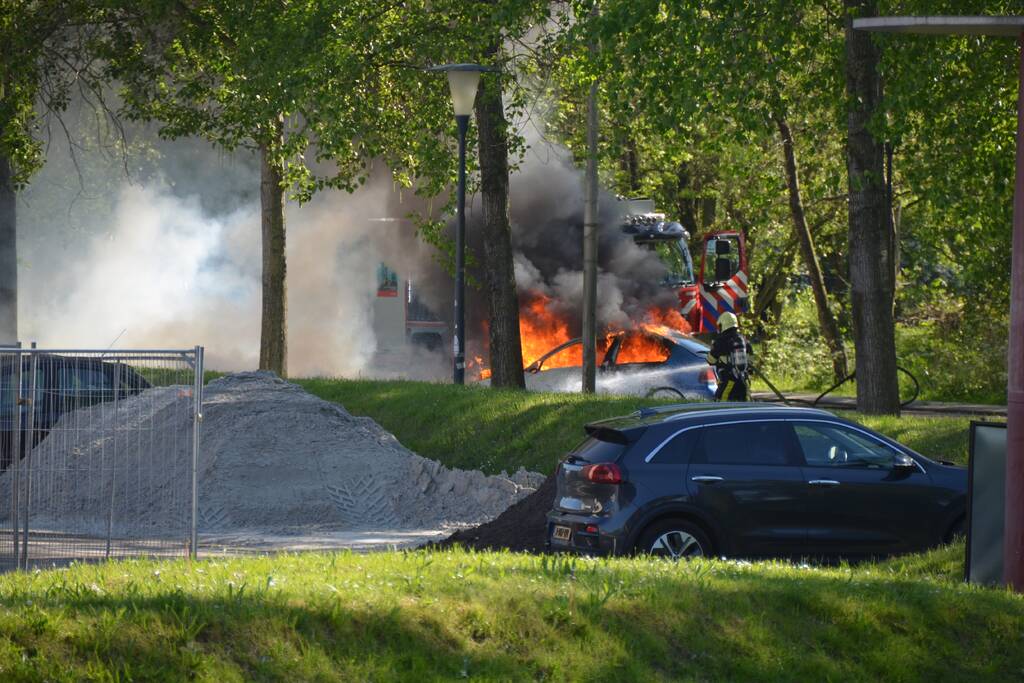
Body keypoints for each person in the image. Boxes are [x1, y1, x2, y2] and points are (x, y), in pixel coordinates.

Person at [705, 311, 752, 401]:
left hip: (729, 382)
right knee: (745, 408)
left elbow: (711, 360)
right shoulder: (743, 339)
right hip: (743, 382)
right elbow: (750, 360)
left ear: (723, 324)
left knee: (721, 406)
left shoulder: (721, 340)